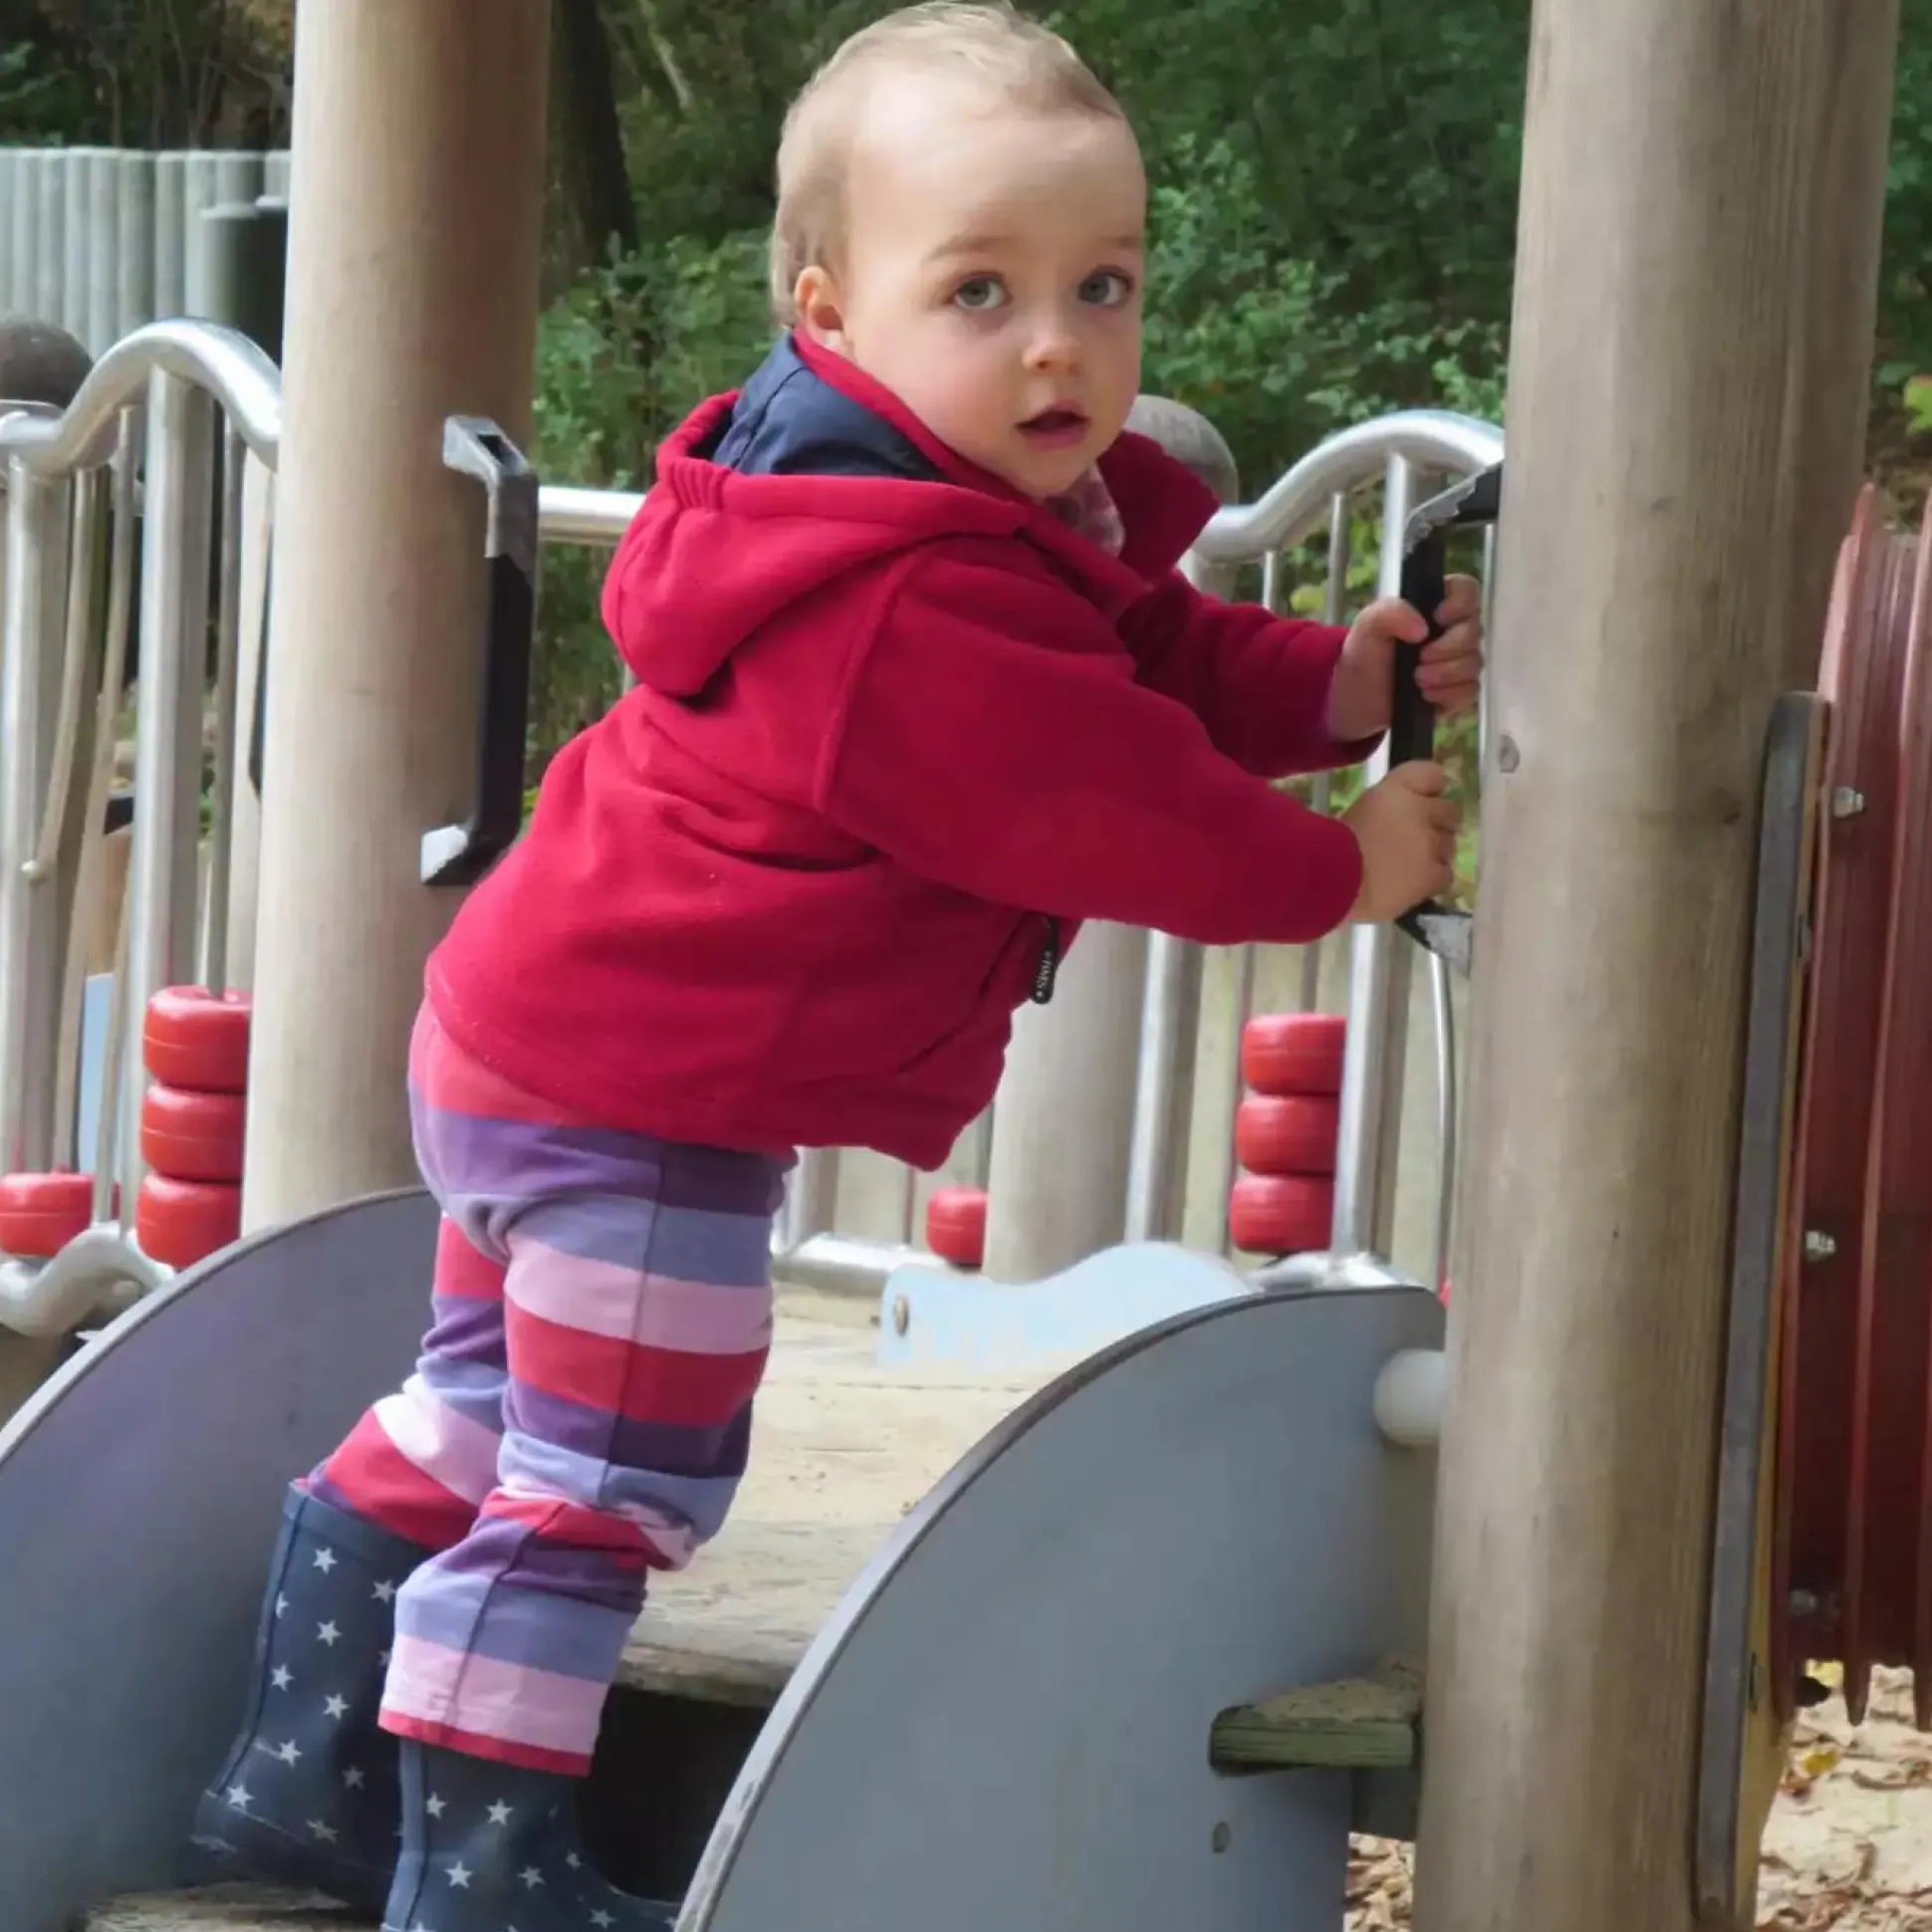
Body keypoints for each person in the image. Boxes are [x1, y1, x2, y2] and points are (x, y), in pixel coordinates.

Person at [192, 4, 1482, 1925]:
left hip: (542, 1042)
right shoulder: (902, 603)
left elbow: (1145, 661)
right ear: (832, 313)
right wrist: (1342, 870)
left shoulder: (926, 511)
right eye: (980, 290)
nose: (1057, 344)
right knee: (609, 1483)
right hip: (641, 1101)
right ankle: (480, 1876)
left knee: (479, 1421)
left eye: (1103, 285)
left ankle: (299, 1781)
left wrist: (1338, 687)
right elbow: (1112, 798)